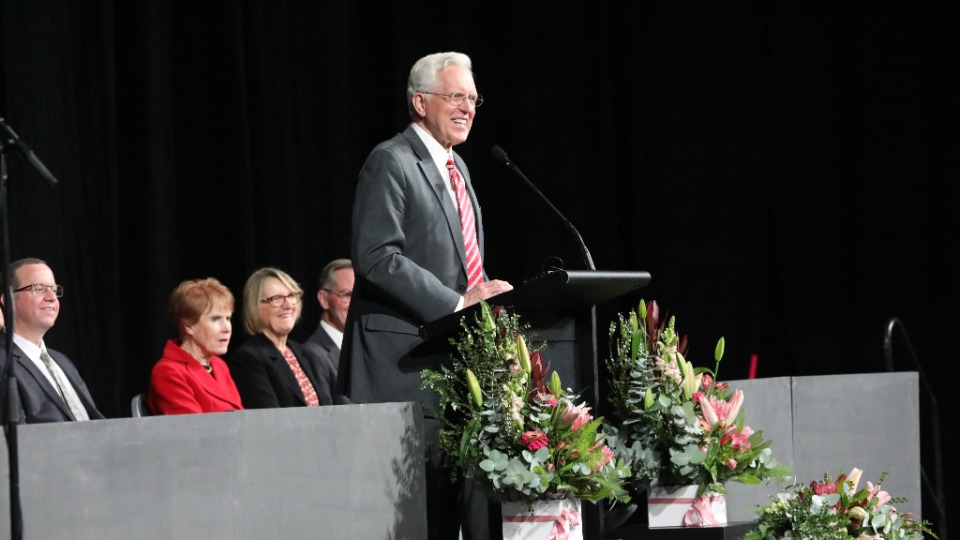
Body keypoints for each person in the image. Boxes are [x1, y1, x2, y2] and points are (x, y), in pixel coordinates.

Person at [339, 51, 513, 540]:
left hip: (451, 367)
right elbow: (376, 257)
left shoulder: (458, 170)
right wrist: (458, 304)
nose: (468, 109)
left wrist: (482, 297)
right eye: (455, 96)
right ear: (420, 101)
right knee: (415, 520)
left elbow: (460, 265)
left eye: (474, 99)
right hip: (402, 368)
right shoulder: (391, 161)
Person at [0, 257, 104, 423]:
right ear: (9, 300)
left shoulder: (62, 361)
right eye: (39, 288)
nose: (52, 297)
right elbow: (17, 440)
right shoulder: (3, 363)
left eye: (54, 290)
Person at [228, 267, 345, 408]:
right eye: (276, 299)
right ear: (255, 306)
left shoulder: (306, 354)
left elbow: (332, 410)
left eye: (291, 296)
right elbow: (269, 419)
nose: (288, 305)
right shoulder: (249, 359)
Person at [147, 278, 243, 415]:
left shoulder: (219, 365)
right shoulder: (168, 372)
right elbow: (194, 432)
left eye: (228, 318)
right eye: (215, 319)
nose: (227, 328)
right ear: (188, 326)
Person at [302, 258, 353, 392]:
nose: (355, 304)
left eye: (360, 296)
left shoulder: (365, 348)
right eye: (347, 295)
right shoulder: (312, 355)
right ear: (324, 299)